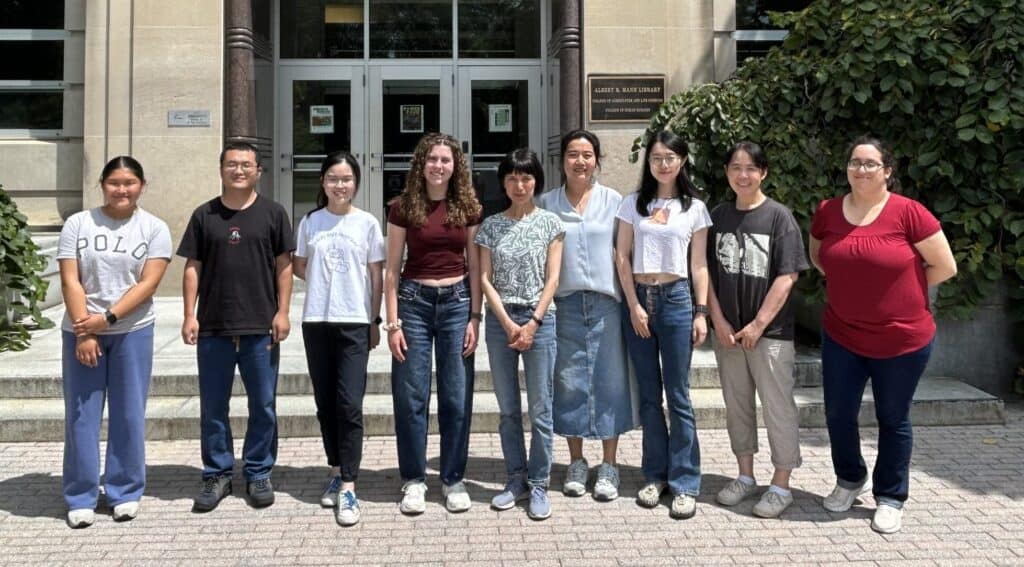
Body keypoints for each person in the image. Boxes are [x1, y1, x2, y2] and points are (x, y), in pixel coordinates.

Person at [809, 136, 956, 534]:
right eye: (854, 162)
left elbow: (944, 266)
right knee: (839, 413)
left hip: (901, 340)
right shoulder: (828, 212)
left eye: (870, 163)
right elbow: (818, 256)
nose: (860, 169)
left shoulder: (909, 213)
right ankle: (849, 478)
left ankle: (891, 496)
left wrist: (901, 290)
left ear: (888, 170)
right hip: (842, 334)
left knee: (893, 418)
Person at [178, 142, 295, 512]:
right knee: (214, 406)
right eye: (232, 164)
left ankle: (258, 471)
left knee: (263, 404)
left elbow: (284, 267)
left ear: (259, 170)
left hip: (261, 327)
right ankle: (217, 473)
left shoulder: (273, 214)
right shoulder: (204, 215)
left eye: (246, 165)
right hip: (214, 326)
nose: (239, 170)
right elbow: (192, 267)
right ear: (221, 169)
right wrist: (188, 314)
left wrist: (283, 312)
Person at [58, 156, 172, 528]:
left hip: (132, 331)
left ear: (142, 185)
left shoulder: (154, 228)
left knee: (127, 414)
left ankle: (124, 490)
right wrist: (86, 331)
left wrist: (107, 319)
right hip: (80, 332)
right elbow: (70, 280)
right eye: (114, 183)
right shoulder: (78, 223)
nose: (122, 190)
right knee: (81, 415)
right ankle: (81, 494)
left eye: (130, 183)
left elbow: (148, 283)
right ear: (102, 184)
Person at [706, 142, 809, 518]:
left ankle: (781, 485)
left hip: (770, 335)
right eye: (735, 167)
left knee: (777, 407)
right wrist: (718, 319)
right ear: (727, 172)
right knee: (737, 407)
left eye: (751, 168)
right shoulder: (718, 216)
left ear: (763, 172)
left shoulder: (779, 217)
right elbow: (707, 276)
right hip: (729, 333)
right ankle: (745, 476)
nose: (743, 175)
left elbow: (787, 276)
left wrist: (758, 324)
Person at [615, 129, 711, 519]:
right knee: (650, 397)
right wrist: (634, 304)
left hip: (676, 301)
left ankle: (685, 481)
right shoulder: (632, 204)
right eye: (657, 157)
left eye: (671, 157)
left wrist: (701, 311)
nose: (664, 163)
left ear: (682, 161)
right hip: (640, 302)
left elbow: (699, 264)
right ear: (648, 162)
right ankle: (655, 475)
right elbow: (622, 256)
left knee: (679, 395)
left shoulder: (696, 208)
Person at [384, 133, 482, 515]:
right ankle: (414, 479)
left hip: (458, 303)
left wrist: (475, 316)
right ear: (420, 164)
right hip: (413, 304)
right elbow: (392, 269)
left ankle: (453, 478)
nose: (438, 166)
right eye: (432, 159)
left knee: (456, 397)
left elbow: (475, 265)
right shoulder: (403, 207)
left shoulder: (468, 207)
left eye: (445, 160)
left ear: (455, 165)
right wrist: (393, 323)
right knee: (411, 397)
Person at [537, 129, 634, 502]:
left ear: (597, 160)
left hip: (606, 303)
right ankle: (576, 462)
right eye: (573, 154)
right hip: (565, 305)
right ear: (562, 161)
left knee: (610, 381)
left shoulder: (614, 202)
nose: (580, 161)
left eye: (587, 155)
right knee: (569, 382)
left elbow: (625, 255)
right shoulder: (547, 203)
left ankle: (609, 465)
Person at [293, 151, 384, 526]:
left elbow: (377, 275)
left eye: (346, 179)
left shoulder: (367, 223)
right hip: (316, 320)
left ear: (356, 184)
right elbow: (300, 265)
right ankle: (335, 469)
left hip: (354, 322)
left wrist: (375, 319)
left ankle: (349, 484)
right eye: (333, 178)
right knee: (325, 403)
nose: (340, 185)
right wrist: (323, 284)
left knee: (349, 404)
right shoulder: (311, 221)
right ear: (323, 182)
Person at [477, 148, 564, 520]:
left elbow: (554, 278)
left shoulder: (551, 223)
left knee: (541, 409)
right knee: (509, 409)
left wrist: (532, 323)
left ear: (536, 181)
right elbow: (483, 278)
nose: (519, 184)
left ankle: (540, 483)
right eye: (512, 177)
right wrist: (509, 323)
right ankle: (516, 478)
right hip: (500, 323)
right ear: (503, 182)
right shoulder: (490, 225)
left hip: (539, 321)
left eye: (526, 177)